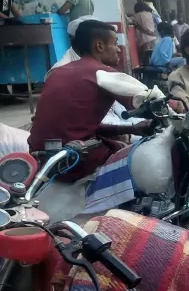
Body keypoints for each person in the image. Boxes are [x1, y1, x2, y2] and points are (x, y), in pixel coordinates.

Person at [29, 21, 152, 181]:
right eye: (115, 44)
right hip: (74, 161)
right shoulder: (103, 73)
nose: (118, 49)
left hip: (41, 158)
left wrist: (131, 129)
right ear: (99, 46)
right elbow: (145, 98)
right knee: (138, 158)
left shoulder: (58, 72)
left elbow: (77, 127)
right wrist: (173, 106)